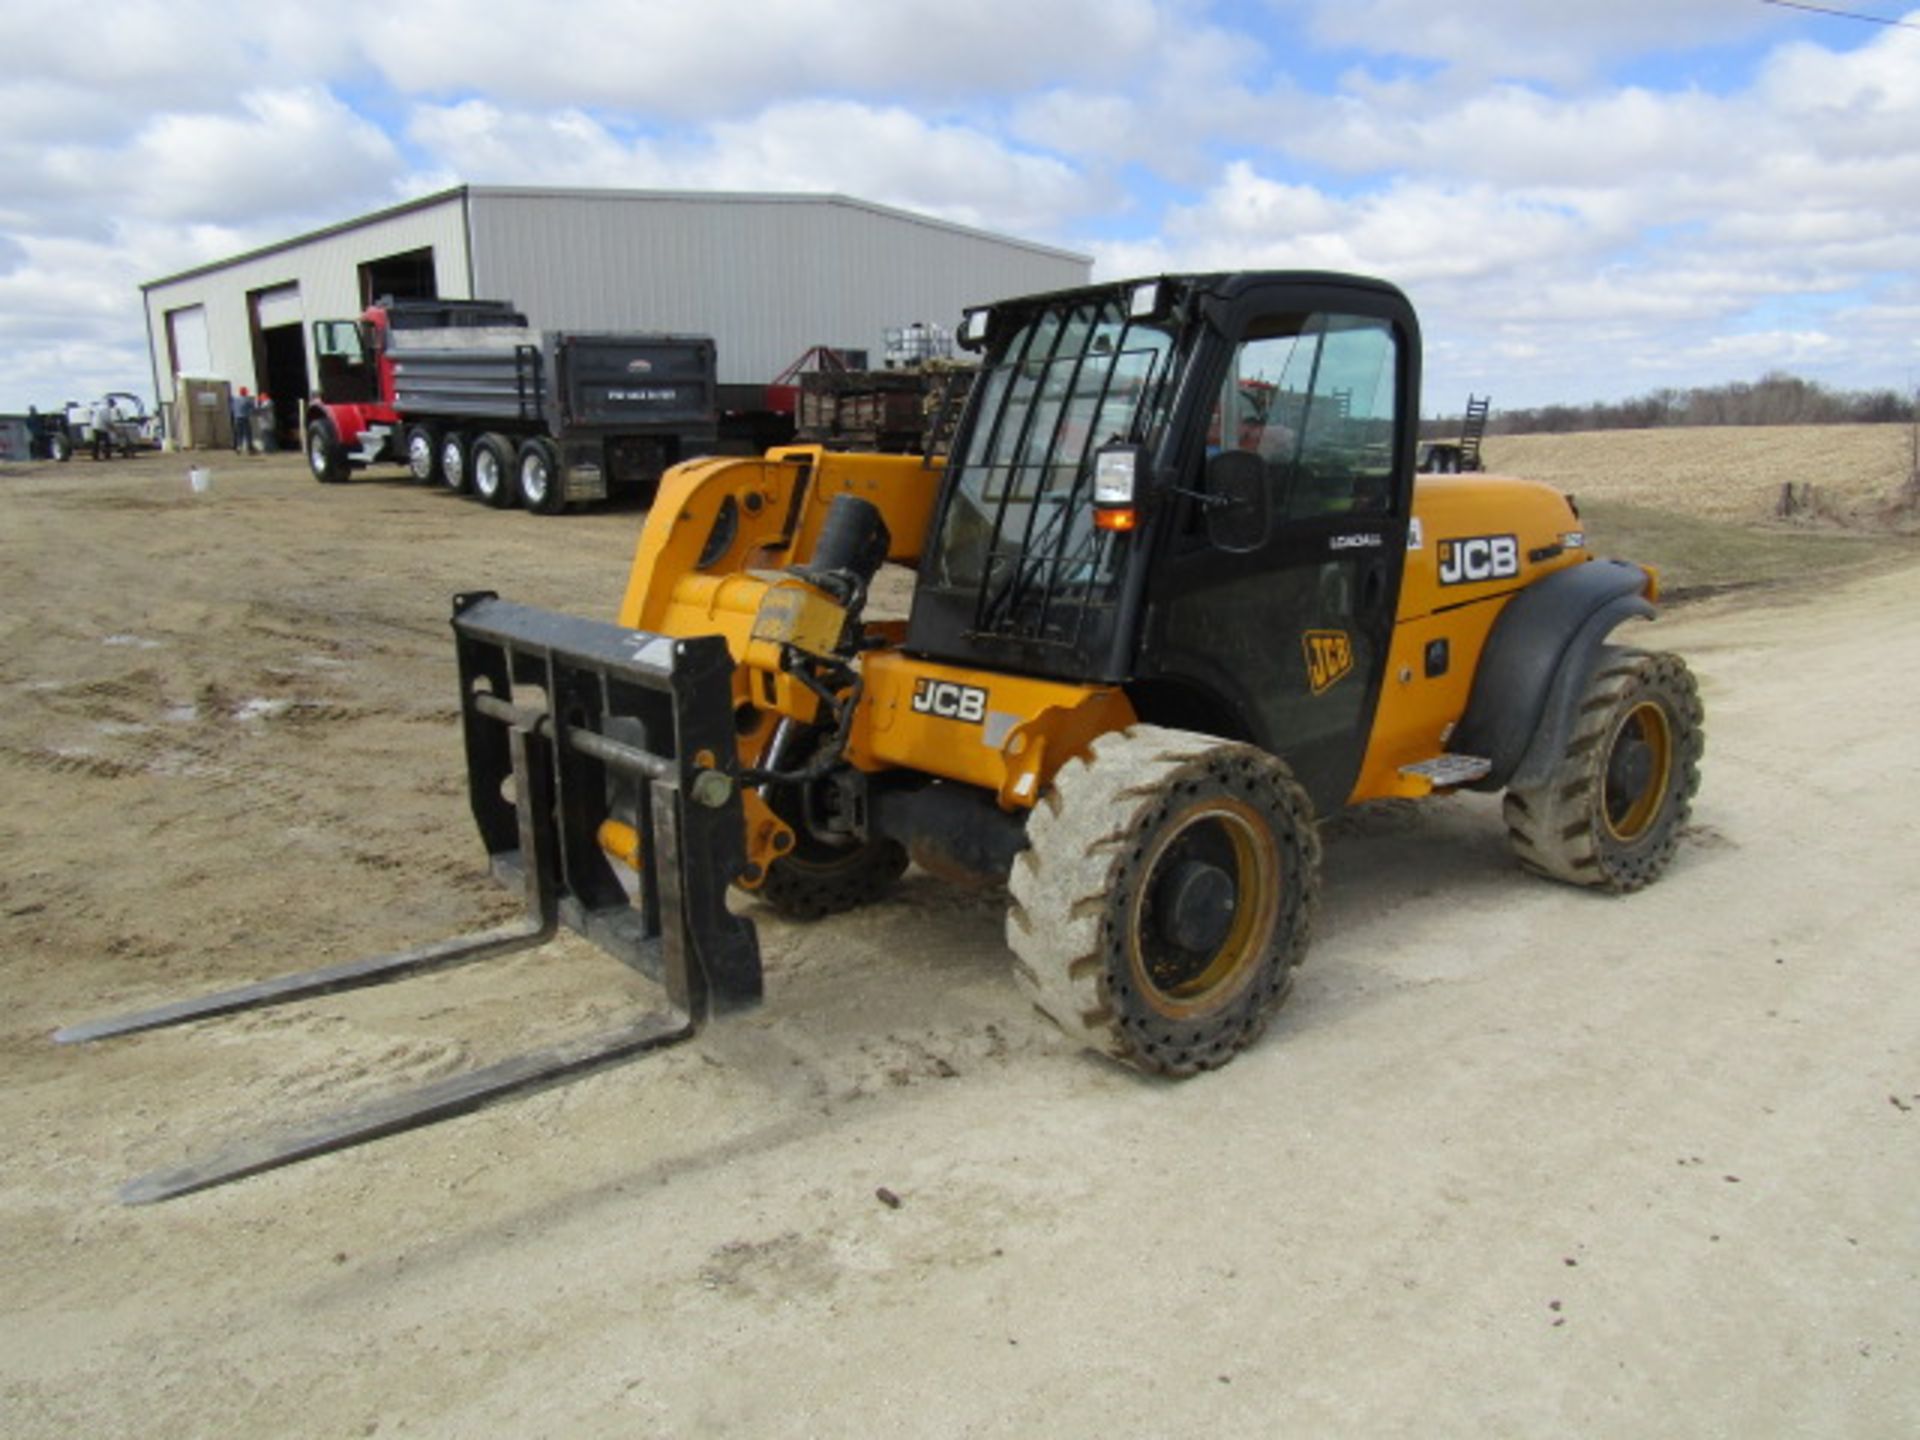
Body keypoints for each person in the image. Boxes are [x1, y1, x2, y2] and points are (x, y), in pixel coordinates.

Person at [92, 395, 119, 461]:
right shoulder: (106, 409)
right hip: (101, 427)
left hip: (95, 426)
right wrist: (113, 427)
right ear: (110, 403)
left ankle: (95, 456)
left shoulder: (99, 407)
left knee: (96, 442)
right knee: (107, 442)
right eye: (113, 404)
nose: (113, 406)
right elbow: (107, 419)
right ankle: (107, 456)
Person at [231, 387, 255, 454]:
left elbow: (232, 408)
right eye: (246, 392)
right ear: (245, 392)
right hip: (245, 418)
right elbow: (252, 408)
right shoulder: (247, 399)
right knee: (248, 433)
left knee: (239, 434)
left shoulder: (235, 400)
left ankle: (239, 447)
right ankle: (250, 448)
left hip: (237, 418)